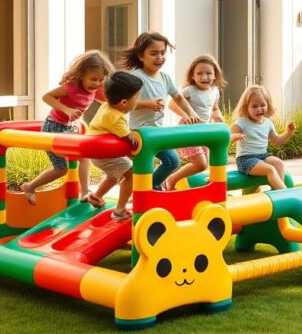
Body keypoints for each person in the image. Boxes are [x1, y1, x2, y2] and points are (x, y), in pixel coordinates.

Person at [20, 50, 113, 206]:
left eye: (100, 80)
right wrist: (66, 109)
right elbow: (46, 97)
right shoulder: (70, 88)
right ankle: (29, 187)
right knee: (61, 169)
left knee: (84, 156)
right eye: (93, 79)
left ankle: (85, 192)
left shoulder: (94, 89)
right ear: (81, 75)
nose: (96, 83)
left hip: (70, 128)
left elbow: (107, 101)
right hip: (53, 128)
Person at [119, 32, 201, 190]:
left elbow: (178, 97)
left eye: (163, 53)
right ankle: (143, 191)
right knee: (144, 168)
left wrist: (191, 112)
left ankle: (152, 185)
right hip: (140, 133)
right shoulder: (137, 77)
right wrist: (148, 104)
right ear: (141, 56)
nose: (160, 57)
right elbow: (125, 104)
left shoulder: (164, 77)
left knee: (172, 162)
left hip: (157, 132)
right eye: (154, 53)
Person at [163, 54, 236, 191]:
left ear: (215, 75)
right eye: (199, 73)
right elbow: (172, 104)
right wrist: (187, 115)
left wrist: (218, 118)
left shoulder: (215, 91)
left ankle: (211, 185)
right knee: (201, 163)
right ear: (193, 76)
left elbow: (214, 108)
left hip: (204, 132)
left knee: (205, 164)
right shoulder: (190, 91)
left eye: (209, 73)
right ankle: (171, 180)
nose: (204, 77)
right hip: (188, 131)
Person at [84, 71, 143, 220]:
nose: (138, 100)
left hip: (98, 152)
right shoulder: (116, 119)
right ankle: (119, 211)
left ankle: (96, 196)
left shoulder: (106, 107)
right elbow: (130, 139)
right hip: (103, 153)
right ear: (123, 102)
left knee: (113, 175)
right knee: (130, 175)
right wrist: (135, 140)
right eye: (137, 97)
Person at [230, 85, 296, 191]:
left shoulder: (268, 123)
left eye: (262, 105)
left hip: (262, 156)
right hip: (246, 159)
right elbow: (228, 138)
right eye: (254, 106)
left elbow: (277, 141)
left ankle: (276, 193)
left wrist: (288, 132)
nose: (259, 109)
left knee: (278, 163)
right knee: (270, 169)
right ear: (246, 107)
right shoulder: (242, 122)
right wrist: (234, 136)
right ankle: (284, 192)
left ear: (268, 105)